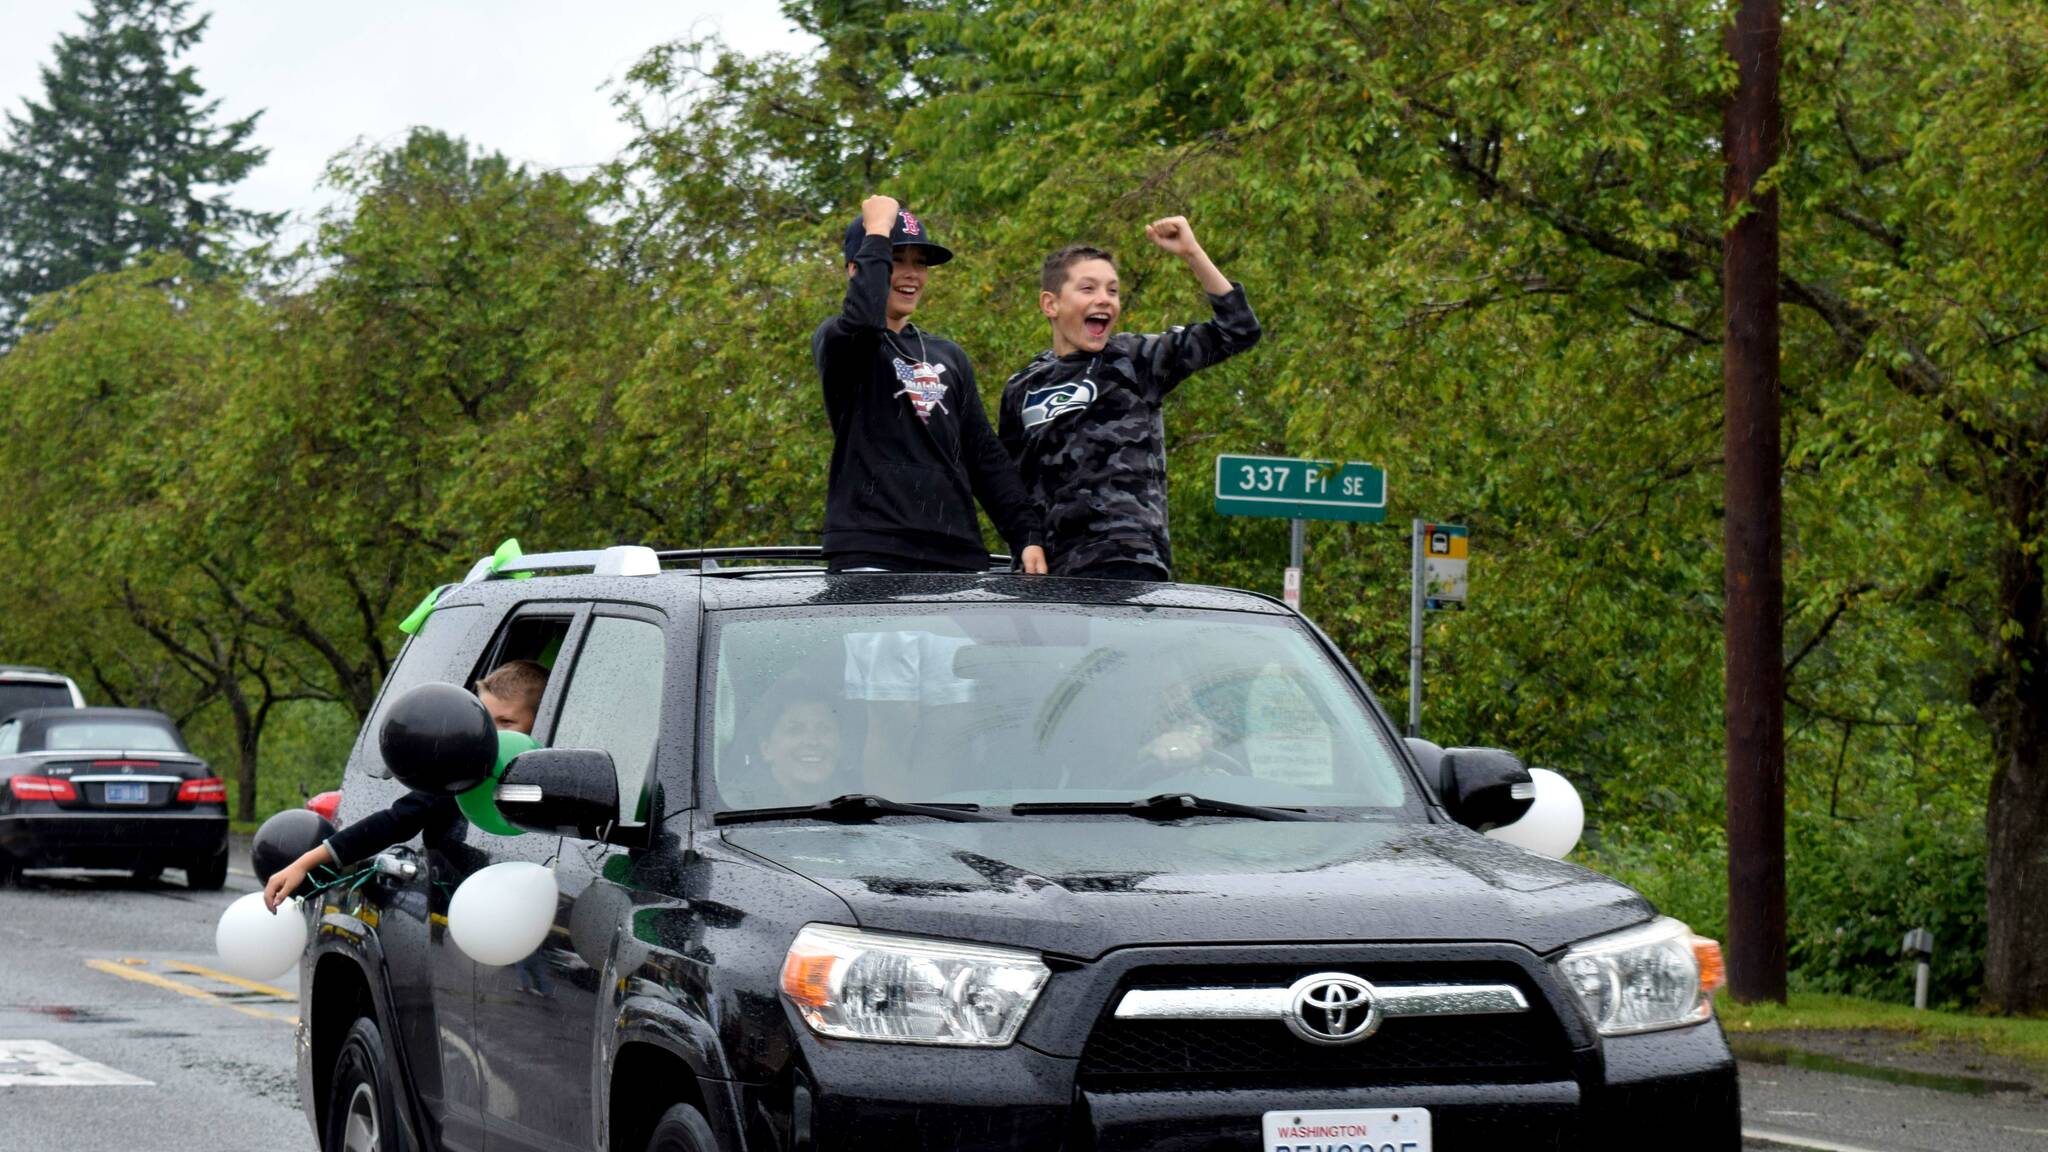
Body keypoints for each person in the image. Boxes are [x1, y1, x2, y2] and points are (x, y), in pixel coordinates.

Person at [998, 217, 1262, 580]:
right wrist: (1024, 544)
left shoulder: (1136, 359)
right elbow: (1008, 484)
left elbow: (1239, 330)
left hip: (1125, 559)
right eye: (1088, 289)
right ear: (1050, 304)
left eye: (1113, 290)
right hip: (1050, 571)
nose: (1103, 299)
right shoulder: (1022, 386)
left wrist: (1191, 252)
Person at [813, 193, 1048, 575]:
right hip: (872, 551)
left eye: (920, 264)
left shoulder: (948, 354)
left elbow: (982, 453)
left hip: (956, 554)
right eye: (896, 259)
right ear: (858, 269)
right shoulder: (841, 341)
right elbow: (862, 321)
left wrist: (1026, 533)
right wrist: (876, 230)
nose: (911, 274)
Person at [262, 660, 547, 912]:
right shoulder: (460, 775)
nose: (491, 736)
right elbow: (392, 822)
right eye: (485, 721)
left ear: (542, 724)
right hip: (465, 915)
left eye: (507, 722)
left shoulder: (553, 780)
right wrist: (303, 864)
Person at [725, 682, 850, 808]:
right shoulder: (736, 808)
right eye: (795, 730)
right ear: (766, 749)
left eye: (824, 729)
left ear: (841, 745)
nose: (812, 741)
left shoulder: (855, 804)